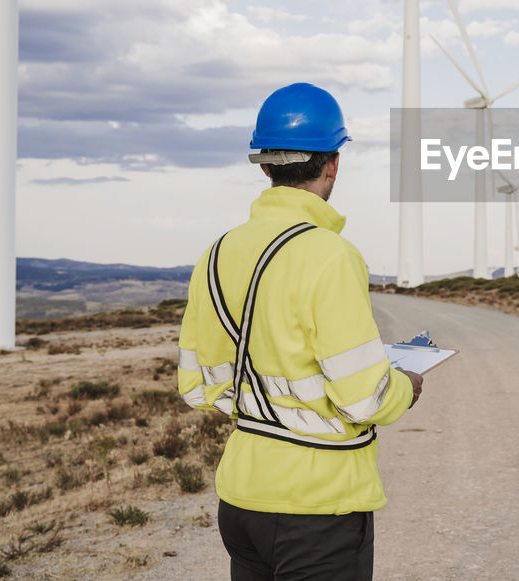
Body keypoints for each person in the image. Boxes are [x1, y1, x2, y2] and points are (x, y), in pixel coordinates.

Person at [177, 82, 423, 580]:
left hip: (242, 498)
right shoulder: (331, 255)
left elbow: (196, 387)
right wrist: (406, 387)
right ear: (332, 164)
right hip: (318, 508)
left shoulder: (216, 252)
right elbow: (363, 399)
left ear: (265, 166)